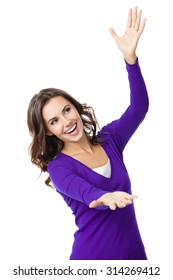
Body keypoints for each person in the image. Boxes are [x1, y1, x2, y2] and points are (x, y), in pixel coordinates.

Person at [27, 7, 149, 260]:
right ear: (48, 131)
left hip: (135, 258)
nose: (67, 122)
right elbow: (88, 194)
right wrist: (106, 196)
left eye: (67, 110)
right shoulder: (59, 168)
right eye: (54, 121)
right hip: (91, 263)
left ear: (76, 107)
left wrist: (131, 60)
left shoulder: (110, 139)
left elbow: (139, 107)